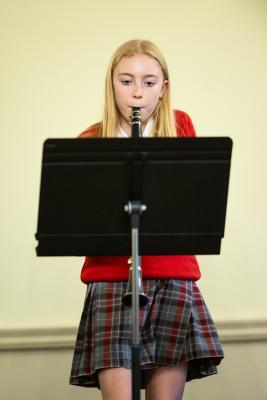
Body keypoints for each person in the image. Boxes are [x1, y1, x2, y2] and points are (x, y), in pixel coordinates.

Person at [69, 39, 224, 400]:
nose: (137, 93)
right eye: (126, 81)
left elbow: (191, 204)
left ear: (163, 87)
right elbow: (82, 226)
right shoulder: (91, 140)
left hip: (173, 276)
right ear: (111, 84)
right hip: (113, 281)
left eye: (149, 82)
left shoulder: (179, 126)